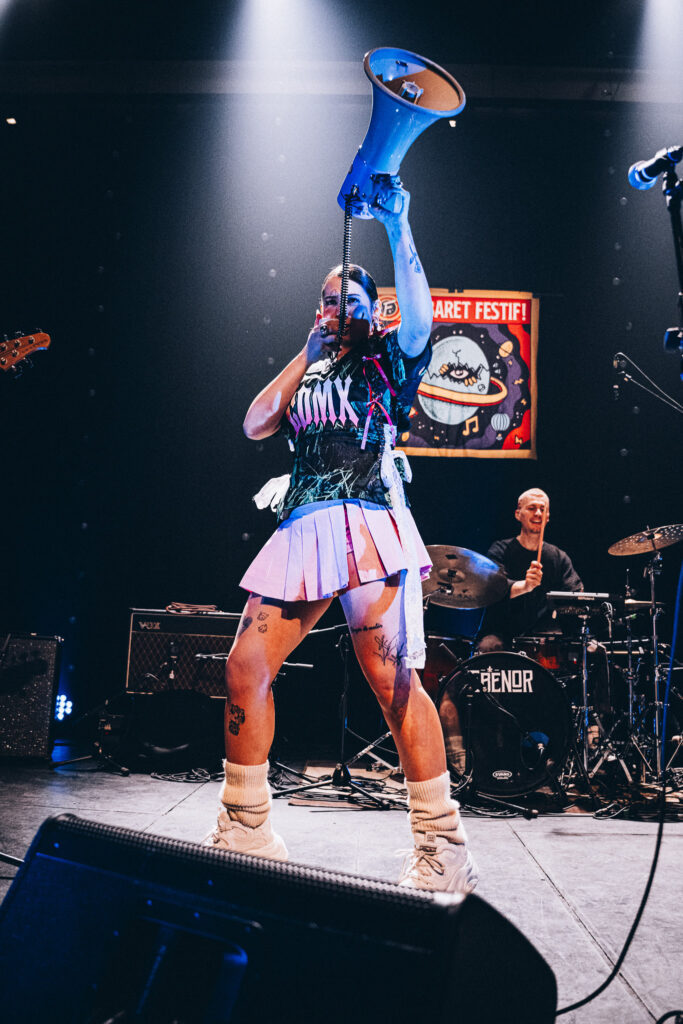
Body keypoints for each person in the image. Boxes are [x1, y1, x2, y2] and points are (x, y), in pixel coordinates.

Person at [204, 178, 478, 894]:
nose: (339, 309)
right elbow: (255, 423)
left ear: (371, 310)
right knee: (243, 668)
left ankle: (441, 843)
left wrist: (399, 224)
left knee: (393, 683)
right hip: (304, 523)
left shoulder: (388, 357)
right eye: (329, 300)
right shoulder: (310, 366)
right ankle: (245, 829)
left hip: (366, 518)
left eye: (351, 300)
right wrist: (305, 351)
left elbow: (420, 318)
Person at [478, 488, 582, 651]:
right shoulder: (499, 550)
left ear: (548, 517)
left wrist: (579, 601)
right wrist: (526, 586)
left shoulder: (558, 557)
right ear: (518, 514)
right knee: (489, 645)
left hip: (544, 635)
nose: (538, 513)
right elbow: (494, 589)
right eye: (532, 508)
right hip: (500, 632)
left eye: (543, 509)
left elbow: (573, 593)